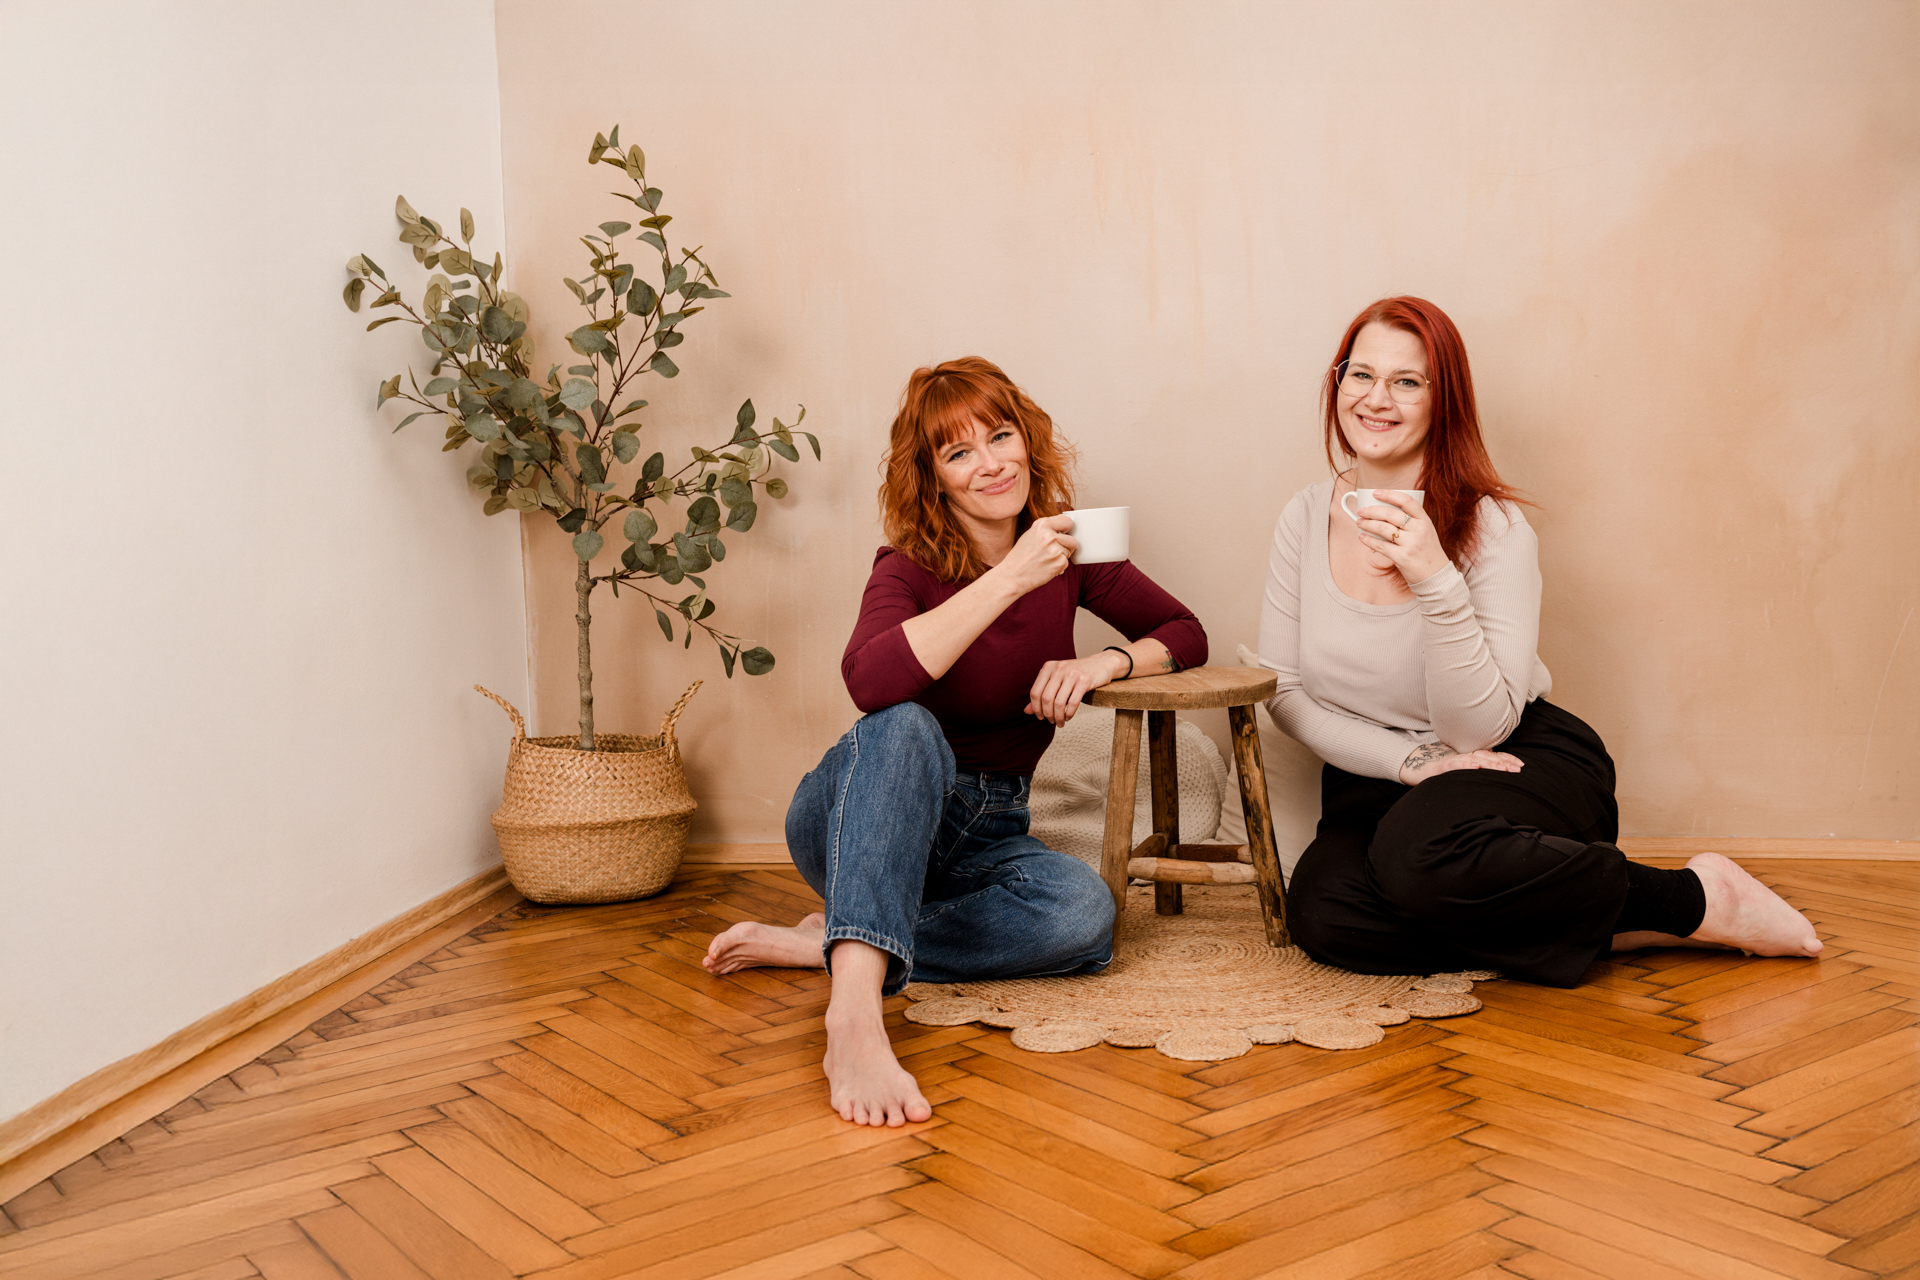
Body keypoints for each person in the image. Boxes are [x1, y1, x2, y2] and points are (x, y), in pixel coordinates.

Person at [703, 356, 1208, 1126]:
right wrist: (1007, 578)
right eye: (959, 452)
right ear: (933, 477)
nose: (990, 465)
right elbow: (870, 685)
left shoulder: (1071, 551)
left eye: (1000, 436)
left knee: (1085, 918)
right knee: (906, 721)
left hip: (988, 829)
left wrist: (1103, 661)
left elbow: (1186, 633)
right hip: (859, 811)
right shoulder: (906, 567)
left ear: (1028, 442)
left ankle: (839, 941)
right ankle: (854, 1019)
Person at [1258, 296, 1820, 987]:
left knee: (1416, 856)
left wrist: (1435, 576)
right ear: (1337, 382)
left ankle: (1695, 898)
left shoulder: (1493, 528)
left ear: (1446, 401)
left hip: (1515, 755)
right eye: (1360, 374)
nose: (1377, 399)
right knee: (1325, 914)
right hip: (1380, 772)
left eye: (1408, 381)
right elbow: (1282, 691)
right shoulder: (1304, 516)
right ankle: (1626, 927)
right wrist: (1408, 763)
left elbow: (1476, 729)